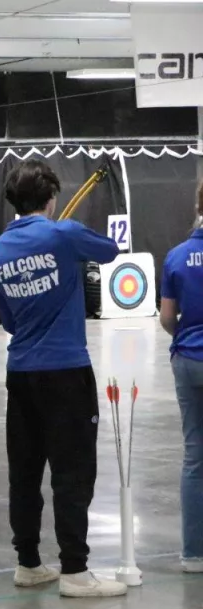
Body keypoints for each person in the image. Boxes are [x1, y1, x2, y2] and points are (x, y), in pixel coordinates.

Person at [0, 159, 126, 598]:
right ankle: (75, 571)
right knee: (73, 471)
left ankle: (28, 563)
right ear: (51, 198)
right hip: (65, 372)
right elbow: (110, 250)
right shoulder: (63, 234)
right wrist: (65, 236)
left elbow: (9, 322)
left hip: (21, 374)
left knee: (25, 472)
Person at [159, 179, 203, 573]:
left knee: (194, 455)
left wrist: (185, 337)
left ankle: (193, 555)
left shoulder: (176, 256)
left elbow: (167, 318)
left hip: (188, 358)